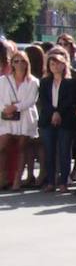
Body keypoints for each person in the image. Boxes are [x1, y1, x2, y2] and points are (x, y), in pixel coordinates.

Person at [38, 50, 76, 192]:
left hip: (66, 120)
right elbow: (44, 100)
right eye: (52, 63)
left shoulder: (71, 82)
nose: (55, 66)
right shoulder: (44, 82)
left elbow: (71, 100)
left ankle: (63, 182)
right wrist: (53, 113)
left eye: (58, 63)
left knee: (64, 151)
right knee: (49, 151)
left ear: (64, 65)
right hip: (47, 120)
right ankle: (50, 181)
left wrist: (59, 113)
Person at [0, 51, 40, 191]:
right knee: (2, 146)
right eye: (16, 61)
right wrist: (5, 108)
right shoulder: (4, 80)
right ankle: (2, 178)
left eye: (22, 61)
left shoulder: (33, 81)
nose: (19, 64)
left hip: (25, 117)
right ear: (11, 63)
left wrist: (15, 107)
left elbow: (30, 101)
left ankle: (17, 180)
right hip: (6, 117)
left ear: (27, 63)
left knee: (21, 148)